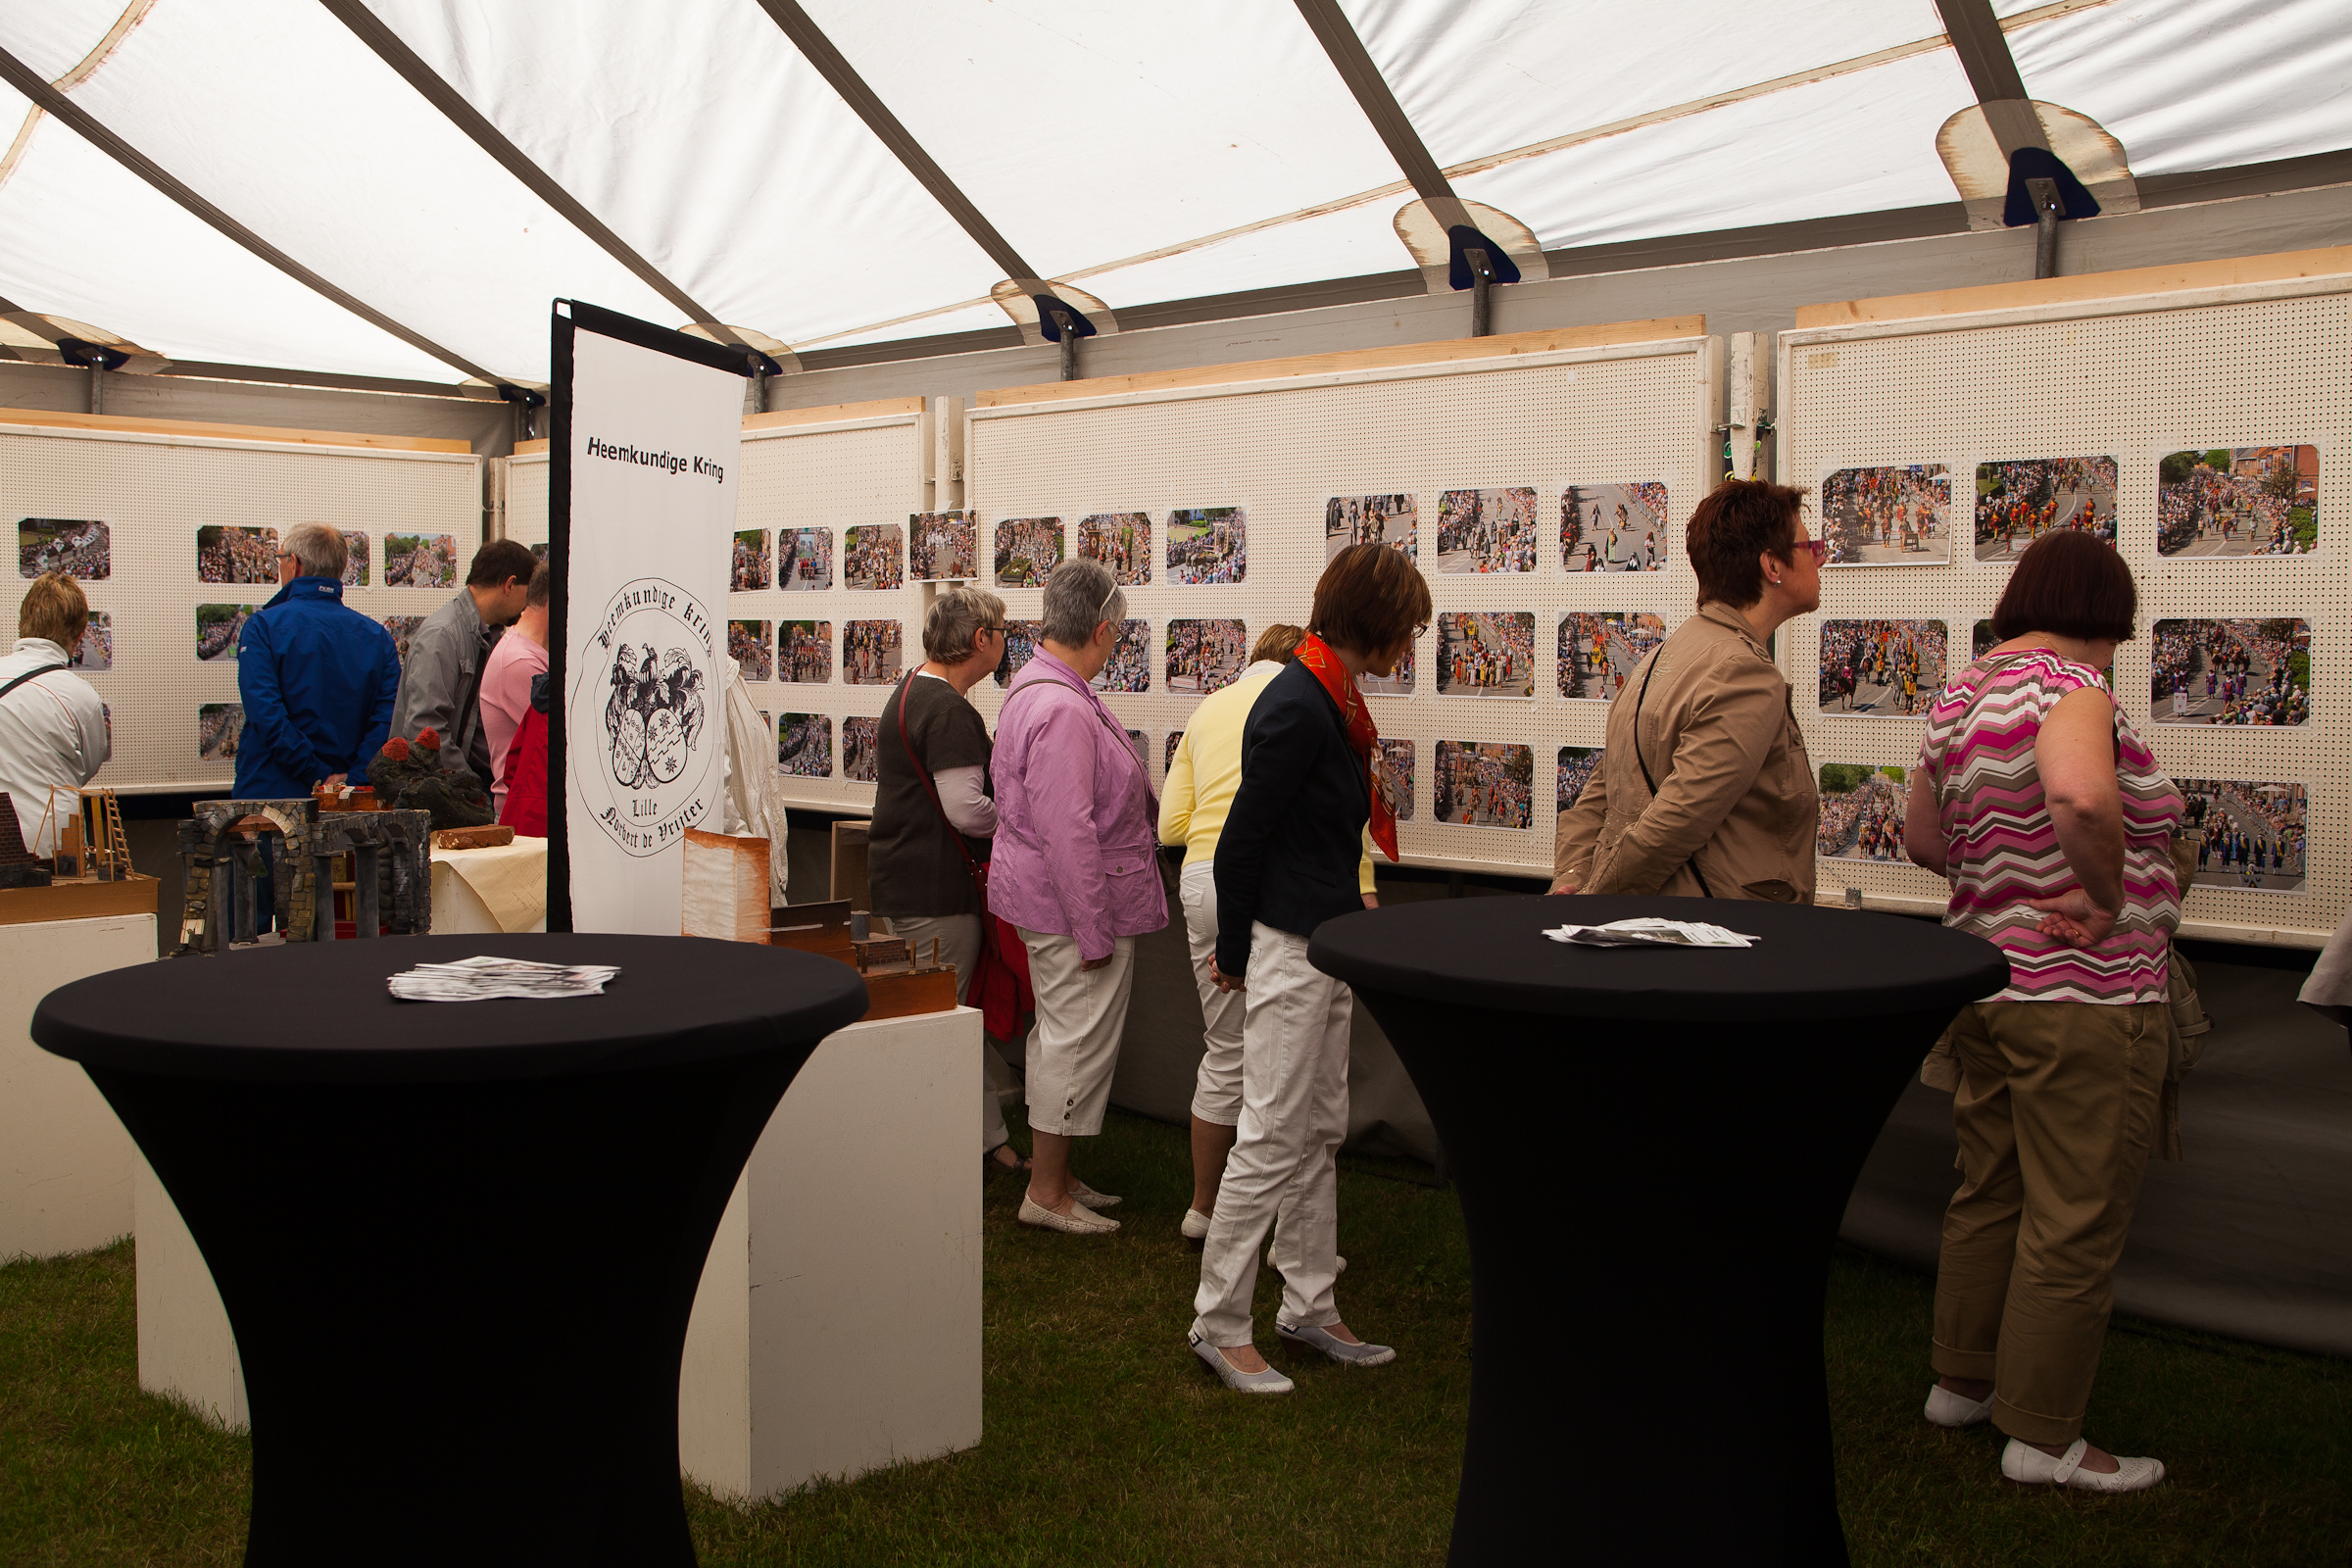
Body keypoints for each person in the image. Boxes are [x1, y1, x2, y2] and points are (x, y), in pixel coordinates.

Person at [1905, 530, 2180, 1493]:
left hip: (1989, 986)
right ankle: (2044, 1436)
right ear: (2105, 615)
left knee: (1991, 1191)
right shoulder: (2073, 687)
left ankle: (1962, 1382)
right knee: (2074, 1215)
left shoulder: (1960, 695)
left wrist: (2005, 878)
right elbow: (2081, 797)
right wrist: (2103, 898)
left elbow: (1924, 840)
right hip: (2086, 996)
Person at [1189, 541, 1427, 1396]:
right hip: (1289, 945)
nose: (1412, 644)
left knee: (1318, 1128)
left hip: (1319, 941)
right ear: (1377, 621)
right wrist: (1236, 952)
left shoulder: (1332, 695)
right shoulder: (1299, 700)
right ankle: (1219, 1323)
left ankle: (1309, 1303)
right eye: (1408, 628)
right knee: (1270, 1134)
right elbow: (1241, 841)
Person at [1160, 622, 1376, 1242]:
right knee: (1292, 1078)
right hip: (1282, 894)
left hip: (1204, 878)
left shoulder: (1209, 707)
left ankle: (1203, 1209)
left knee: (1227, 1052)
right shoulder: (1317, 705)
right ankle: (1286, 1239)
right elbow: (1340, 825)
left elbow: (1171, 825)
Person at [989, 558, 1166, 1235]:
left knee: (1060, 1036)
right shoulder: (1061, 705)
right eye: (1116, 634)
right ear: (1099, 630)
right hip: (1072, 911)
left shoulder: (1043, 688)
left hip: (1054, 903)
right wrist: (1093, 930)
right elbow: (1067, 831)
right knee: (1073, 1042)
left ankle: (1055, 1176)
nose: (1116, 645)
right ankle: (1045, 1193)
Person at [1550, 478, 1821, 900]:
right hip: (1716, 925)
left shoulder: (1658, 658)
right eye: (1811, 547)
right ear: (1772, 565)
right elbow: (1675, 822)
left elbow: (1597, 798)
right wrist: (1591, 901)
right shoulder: (1744, 672)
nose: (1820, 559)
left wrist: (1572, 880)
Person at [869, 585, 1022, 1173]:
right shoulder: (951, 710)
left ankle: (982, 1141)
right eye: (1002, 633)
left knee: (938, 1016)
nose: (1005, 643)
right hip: (936, 891)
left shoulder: (910, 689)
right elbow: (966, 810)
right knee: (945, 1022)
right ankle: (948, 1149)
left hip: (905, 881)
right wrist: (1018, 821)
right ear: (981, 639)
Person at [234, 522, 401, 802]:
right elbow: (387, 720)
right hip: (352, 797)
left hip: (273, 794)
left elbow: (267, 716)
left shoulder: (263, 627)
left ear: (294, 564)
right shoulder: (378, 637)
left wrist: (318, 775)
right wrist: (353, 780)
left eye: (280, 559)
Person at [392, 538, 535, 779]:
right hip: (445, 788)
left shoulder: (490, 634)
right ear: (510, 585)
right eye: (528, 593)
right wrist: (468, 785)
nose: (528, 606)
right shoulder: (442, 635)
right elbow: (425, 728)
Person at [0, 572, 110, 855]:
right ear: (79, 635)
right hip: (52, 843)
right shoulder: (81, 696)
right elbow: (87, 766)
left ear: (23, 623)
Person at [478, 561, 550, 816]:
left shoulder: (527, 652)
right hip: (526, 813)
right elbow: (566, 739)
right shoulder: (519, 661)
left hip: (533, 808)